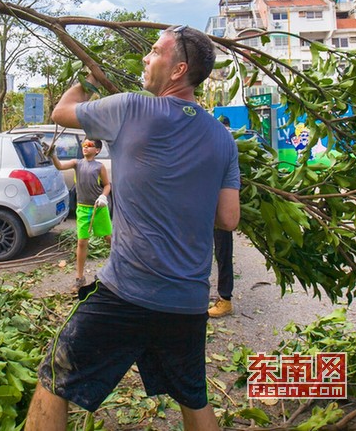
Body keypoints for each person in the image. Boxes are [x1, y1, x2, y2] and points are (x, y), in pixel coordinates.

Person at [25, 25, 240, 431]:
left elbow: (61, 112)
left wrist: (88, 78)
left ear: (178, 70)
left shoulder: (132, 108)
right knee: (193, 397)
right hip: (189, 300)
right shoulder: (222, 138)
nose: (145, 57)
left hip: (127, 292)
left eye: (155, 52)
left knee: (54, 377)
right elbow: (228, 218)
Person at [50, 138, 112, 291]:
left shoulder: (100, 167)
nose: (85, 147)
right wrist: (53, 155)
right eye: (84, 144)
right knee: (82, 242)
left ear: (97, 150)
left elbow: (107, 185)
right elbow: (59, 166)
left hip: (99, 209)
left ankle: (119, 266)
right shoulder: (76, 163)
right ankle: (79, 277)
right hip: (83, 209)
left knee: (109, 238)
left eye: (89, 145)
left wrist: (103, 196)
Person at [210, 116, 235, 318]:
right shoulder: (216, 139)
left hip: (218, 207)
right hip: (207, 205)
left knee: (222, 252)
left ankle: (225, 299)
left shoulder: (225, 141)